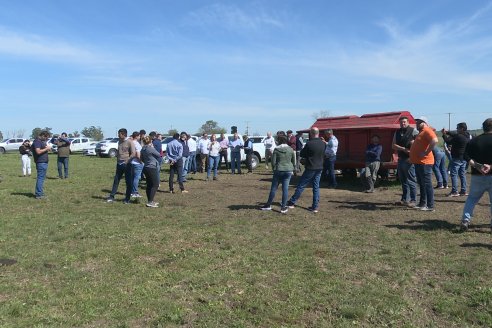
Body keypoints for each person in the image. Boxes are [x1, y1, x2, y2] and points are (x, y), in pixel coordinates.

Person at [459, 118, 492, 231]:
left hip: (477, 175)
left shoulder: (474, 141)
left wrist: (477, 166)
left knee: (472, 198)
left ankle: (465, 220)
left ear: (483, 127)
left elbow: (466, 156)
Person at [287, 127, 326, 213]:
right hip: (319, 167)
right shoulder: (323, 143)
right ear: (318, 133)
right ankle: (315, 207)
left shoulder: (309, 143)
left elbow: (302, 153)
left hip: (311, 167)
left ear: (311, 134)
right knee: (316, 187)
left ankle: (292, 202)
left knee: (301, 185)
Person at [409, 116, 438, 212]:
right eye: (417, 122)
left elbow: (435, 140)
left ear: (424, 123)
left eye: (419, 122)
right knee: (421, 184)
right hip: (419, 162)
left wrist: (426, 152)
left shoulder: (427, 130)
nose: (417, 124)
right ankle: (422, 203)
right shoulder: (421, 132)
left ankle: (430, 206)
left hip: (425, 163)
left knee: (427, 184)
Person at [260, 135, 295, 213]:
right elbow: (293, 161)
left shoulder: (276, 149)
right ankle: (283, 207)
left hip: (278, 170)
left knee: (274, 188)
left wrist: (274, 169)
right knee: (285, 189)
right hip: (288, 170)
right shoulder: (291, 149)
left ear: (279, 141)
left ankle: (268, 205)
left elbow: (273, 162)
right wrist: (293, 168)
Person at [392, 116, 419, 206]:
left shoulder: (413, 131)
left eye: (404, 122)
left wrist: (412, 151)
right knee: (403, 181)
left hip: (409, 159)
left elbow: (419, 143)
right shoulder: (397, 132)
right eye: (401, 122)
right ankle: (404, 199)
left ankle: (413, 200)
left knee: (411, 180)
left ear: (408, 122)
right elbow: (393, 145)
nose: (402, 123)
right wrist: (403, 148)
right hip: (401, 159)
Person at [106, 128, 136, 203]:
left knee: (128, 182)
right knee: (116, 180)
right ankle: (111, 196)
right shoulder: (119, 141)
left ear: (124, 134)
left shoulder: (130, 142)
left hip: (127, 165)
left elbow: (133, 153)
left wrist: (127, 160)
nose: (118, 136)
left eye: (119, 134)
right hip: (119, 164)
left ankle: (127, 199)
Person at [442, 122, 470, 197]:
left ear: (462, 128)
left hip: (457, 158)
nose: (456, 129)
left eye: (457, 128)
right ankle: (463, 190)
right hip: (464, 158)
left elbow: (448, 141)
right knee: (462, 174)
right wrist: (447, 132)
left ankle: (454, 191)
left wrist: (444, 134)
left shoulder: (458, 137)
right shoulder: (467, 135)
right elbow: (454, 134)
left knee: (454, 174)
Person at [140, 136, 161, 208]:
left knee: (149, 185)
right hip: (152, 167)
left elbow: (141, 158)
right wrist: (153, 147)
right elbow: (158, 155)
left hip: (146, 167)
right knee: (155, 184)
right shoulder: (150, 148)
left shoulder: (143, 148)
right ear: (150, 141)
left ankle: (150, 200)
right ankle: (150, 202)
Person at [32, 130, 52, 199]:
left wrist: (47, 148)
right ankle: (39, 194)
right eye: (46, 138)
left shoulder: (40, 142)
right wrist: (46, 148)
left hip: (43, 162)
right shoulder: (37, 141)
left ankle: (40, 193)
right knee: (40, 178)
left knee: (41, 178)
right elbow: (38, 151)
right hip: (41, 162)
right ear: (43, 136)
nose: (47, 139)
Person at [130, 131, 144, 198]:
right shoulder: (136, 144)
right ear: (137, 136)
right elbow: (138, 154)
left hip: (131, 162)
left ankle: (131, 191)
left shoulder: (131, 143)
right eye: (139, 136)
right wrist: (141, 162)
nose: (139, 137)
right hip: (137, 162)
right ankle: (134, 192)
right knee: (136, 178)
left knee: (132, 178)